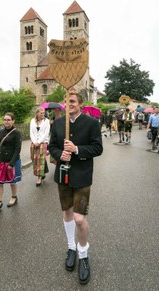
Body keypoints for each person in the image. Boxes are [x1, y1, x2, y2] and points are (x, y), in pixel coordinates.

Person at [49, 90, 103, 285]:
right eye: (67, 101)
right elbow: (51, 146)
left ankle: (83, 254)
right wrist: (59, 154)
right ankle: (71, 247)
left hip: (82, 176)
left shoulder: (91, 123)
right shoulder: (56, 123)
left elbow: (98, 148)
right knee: (67, 214)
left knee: (79, 219)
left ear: (80, 103)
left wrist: (77, 149)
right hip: (62, 175)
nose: (69, 103)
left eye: (72, 101)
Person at [0, 112, 22, 214]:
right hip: (1, 161)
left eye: (8, 120)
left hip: (12, 161)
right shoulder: (0, 132)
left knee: (12, 181)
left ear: (13, 121)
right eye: (5, 119)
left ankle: (14, 197)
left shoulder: (16, 133)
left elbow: (18, 149)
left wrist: (12, 163)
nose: (6, 122)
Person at [30, 107, 50, 186]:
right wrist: (34, 141)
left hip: (42, 143)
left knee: (40, 160)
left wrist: (38, 142)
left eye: (43, 113)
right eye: (41, 113)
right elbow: (31, 132)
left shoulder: (46, 121)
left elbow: (46, 133)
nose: (43, 114)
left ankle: (39, 178)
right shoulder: (32, 121)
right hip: (34, 143)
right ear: (37, 113)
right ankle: (42, 173)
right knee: (35, 160)